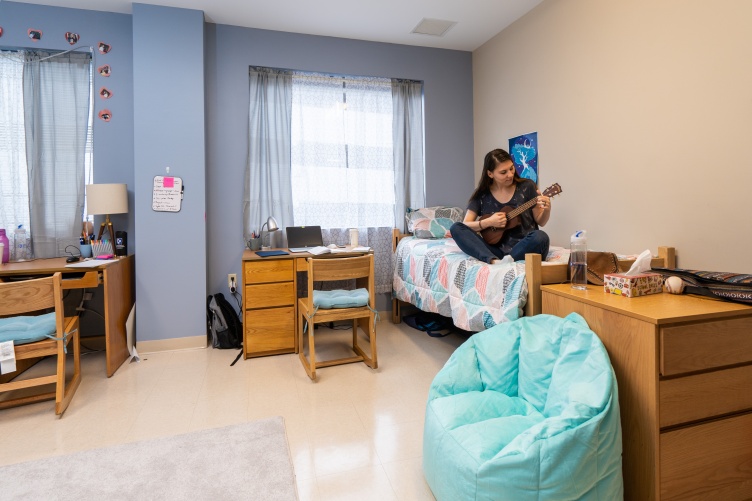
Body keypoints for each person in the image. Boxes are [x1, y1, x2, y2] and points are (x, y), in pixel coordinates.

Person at [450, 148, 551, 264]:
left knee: (541, 237)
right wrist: (488, 222)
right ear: (490, 174)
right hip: (495, 251)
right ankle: (493, 261)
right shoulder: (482, 195)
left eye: (511, 168)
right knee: (456, 228)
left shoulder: (527, 186)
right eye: (503, 172)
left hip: (524, 248)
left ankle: (510, 260)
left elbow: (541, 221)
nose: (510, 174)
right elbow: (466, 225)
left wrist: (547, 209)